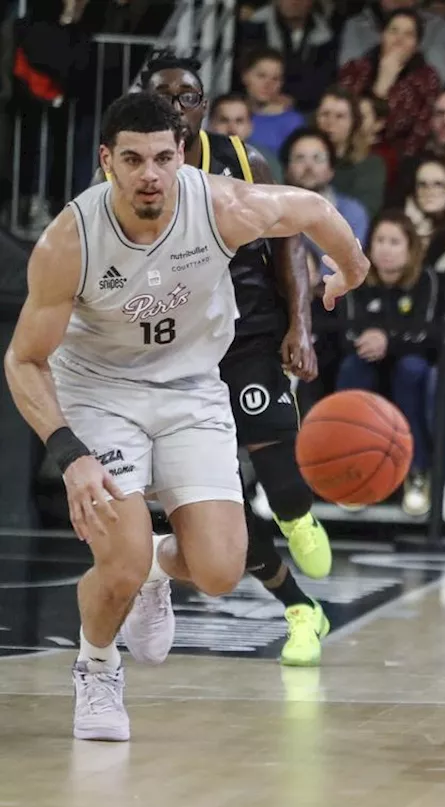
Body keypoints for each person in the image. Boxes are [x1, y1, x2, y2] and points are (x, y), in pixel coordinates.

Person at [5, 91, 368, 741]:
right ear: (107, 160)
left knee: (221, 568)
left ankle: (153, 571)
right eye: (134, 159)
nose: (151, 174)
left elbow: (310, 209)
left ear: (183, 156)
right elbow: (24, 361)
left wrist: (354, 265)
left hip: (193, 388)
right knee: (116, 561)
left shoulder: (220, 203)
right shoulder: (70, 237)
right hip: (100, 393)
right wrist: (70, 453)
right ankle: (96, 666)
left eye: (164, 158)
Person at [133, 53, 335, 667]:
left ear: (201, 105)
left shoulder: (246, 161)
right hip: (180, 350)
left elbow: (290, 245)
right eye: (161, 95)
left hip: (250, 334)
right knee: (213, 503)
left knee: (272, 459)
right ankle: (302, 610)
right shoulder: (130, 178)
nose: (174, 106)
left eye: (185, 96)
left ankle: (299, 513)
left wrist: (301, 324)